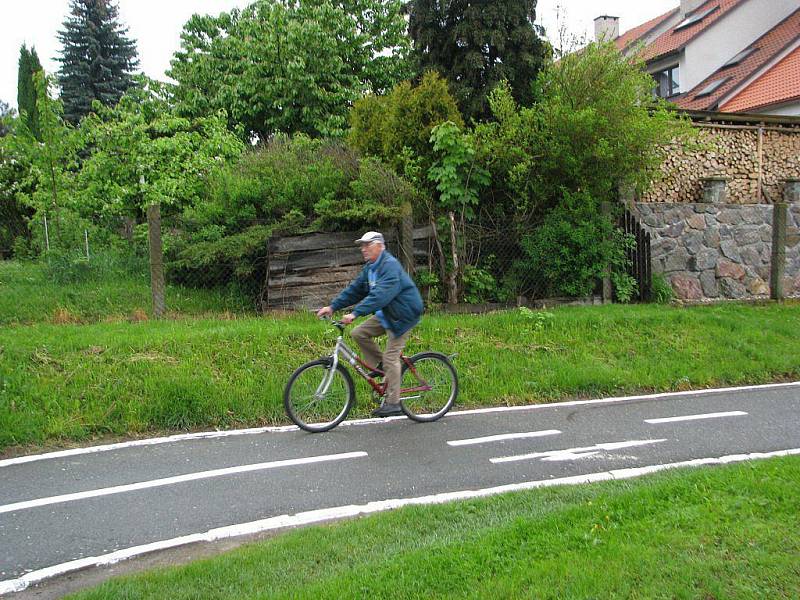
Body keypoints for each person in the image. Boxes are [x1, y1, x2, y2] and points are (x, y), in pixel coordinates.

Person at [316, 231, 423, 417]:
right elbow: (355, 290)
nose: (363, 249)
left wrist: (356, 312)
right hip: (388, 312)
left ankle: (393, 403)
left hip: (403, 315)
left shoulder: (389, 266)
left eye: (367, 245)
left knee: (392, 357)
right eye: (362, 245)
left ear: (380, 246)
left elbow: (380, 295)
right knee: (358, 333)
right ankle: (382, 368)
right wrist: (333, 307)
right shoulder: (371, 268)